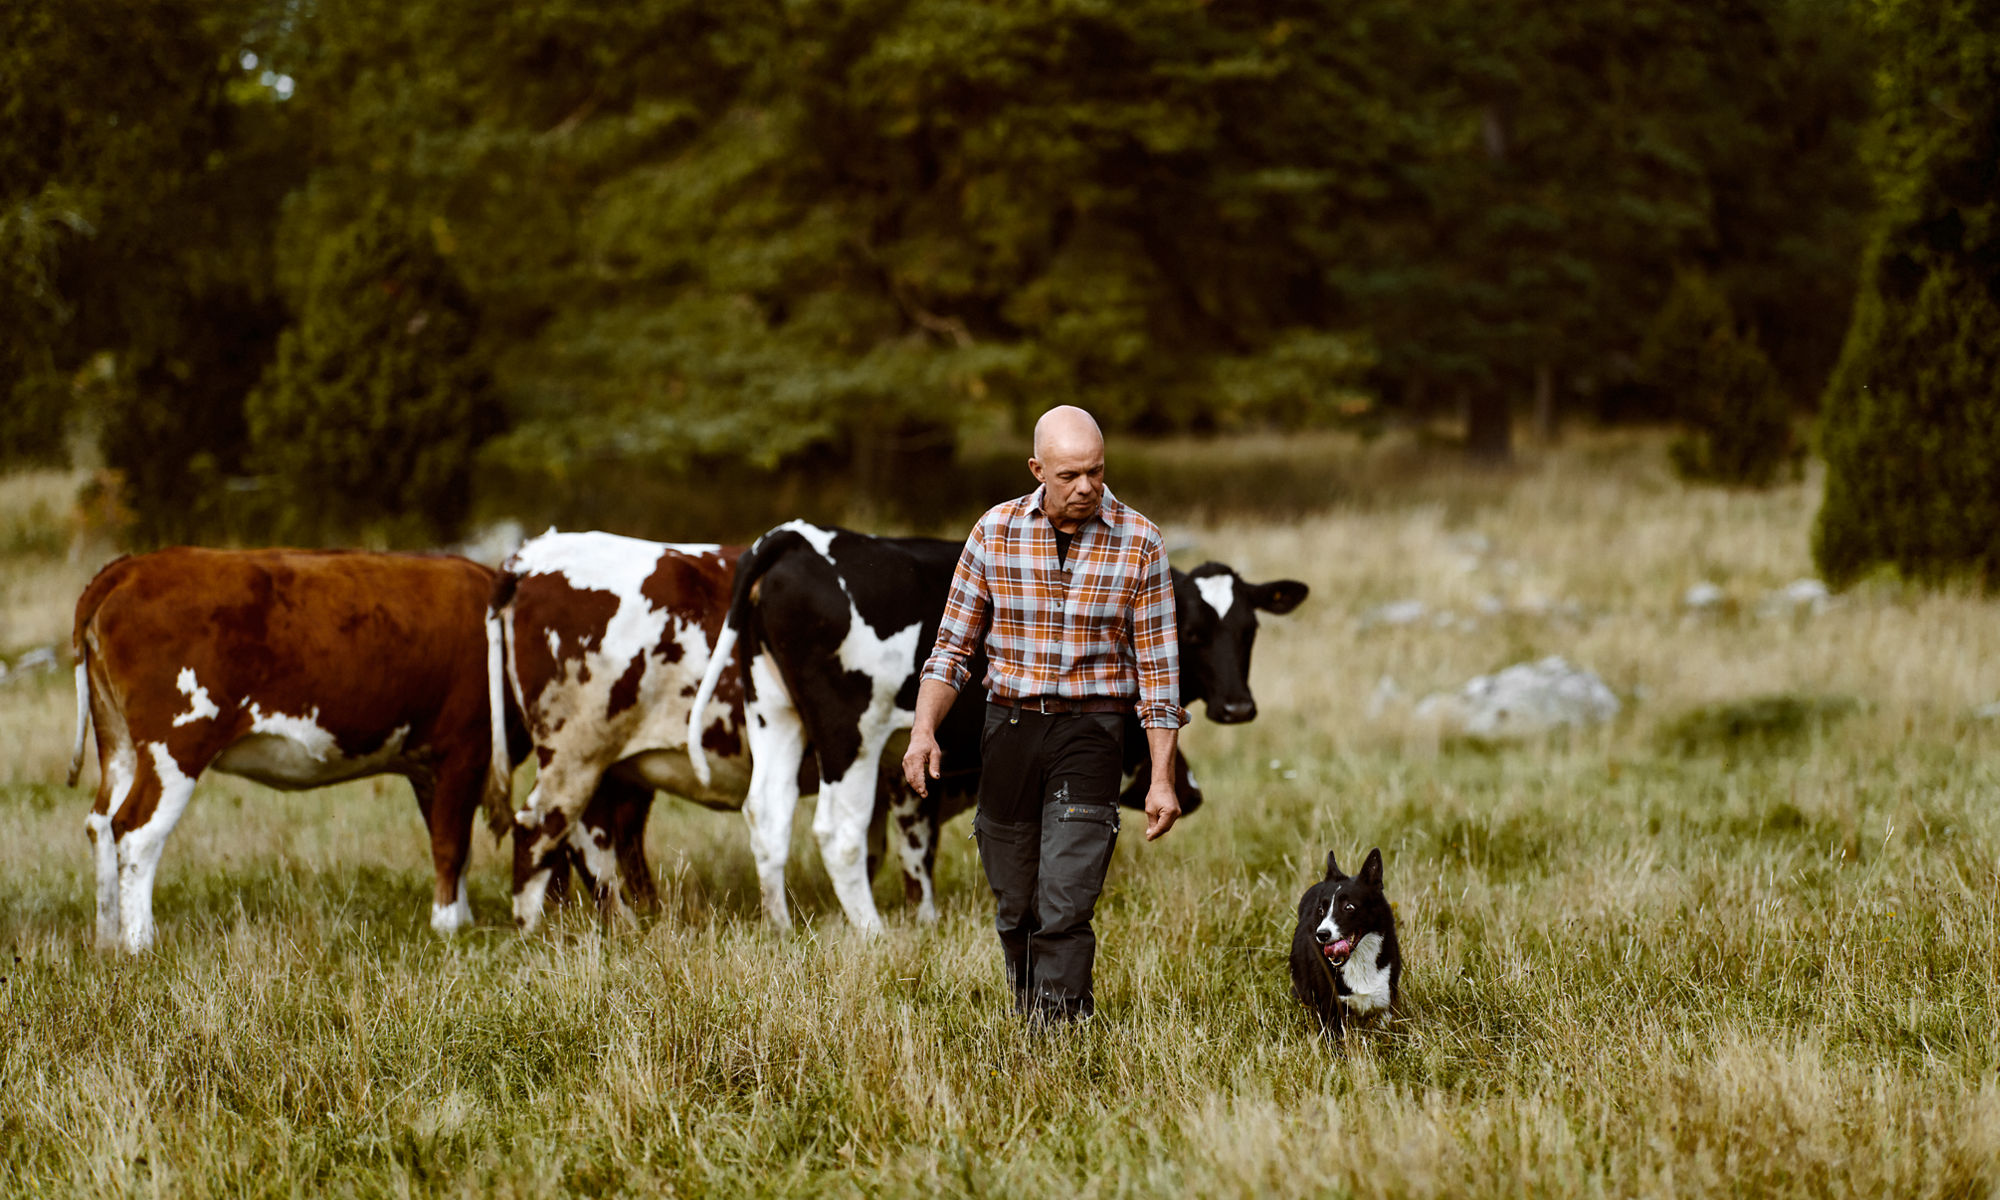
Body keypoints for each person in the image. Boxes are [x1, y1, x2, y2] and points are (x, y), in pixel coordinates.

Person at [902, 404, 1185, 1022]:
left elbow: (1160, 674)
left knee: (1066, 896)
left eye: (1096, 472)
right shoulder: (994, 533)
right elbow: (952, 650)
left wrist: (1161, 776)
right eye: (1069, 475)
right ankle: (1028, 1013)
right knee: (1015, 901)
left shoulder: (1140, 542)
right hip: (1007, 726)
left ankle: (1059, 1036)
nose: (1086, 487)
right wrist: (923, 730)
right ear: (1037, 469)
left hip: (1092, 728)